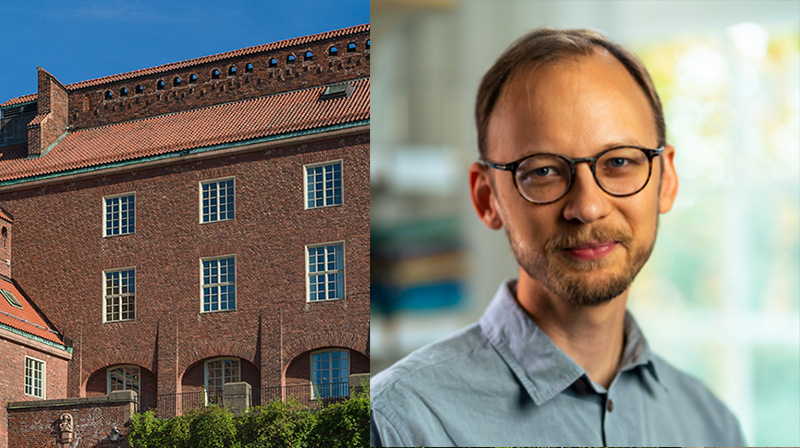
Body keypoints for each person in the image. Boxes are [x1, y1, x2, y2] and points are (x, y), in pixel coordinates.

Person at [370, 28, 746, 447]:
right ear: (486, 198)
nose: (587, 206)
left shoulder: (714, 427)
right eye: (544, 171)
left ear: (668, 178)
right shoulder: (395, 423)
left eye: (619, 162)